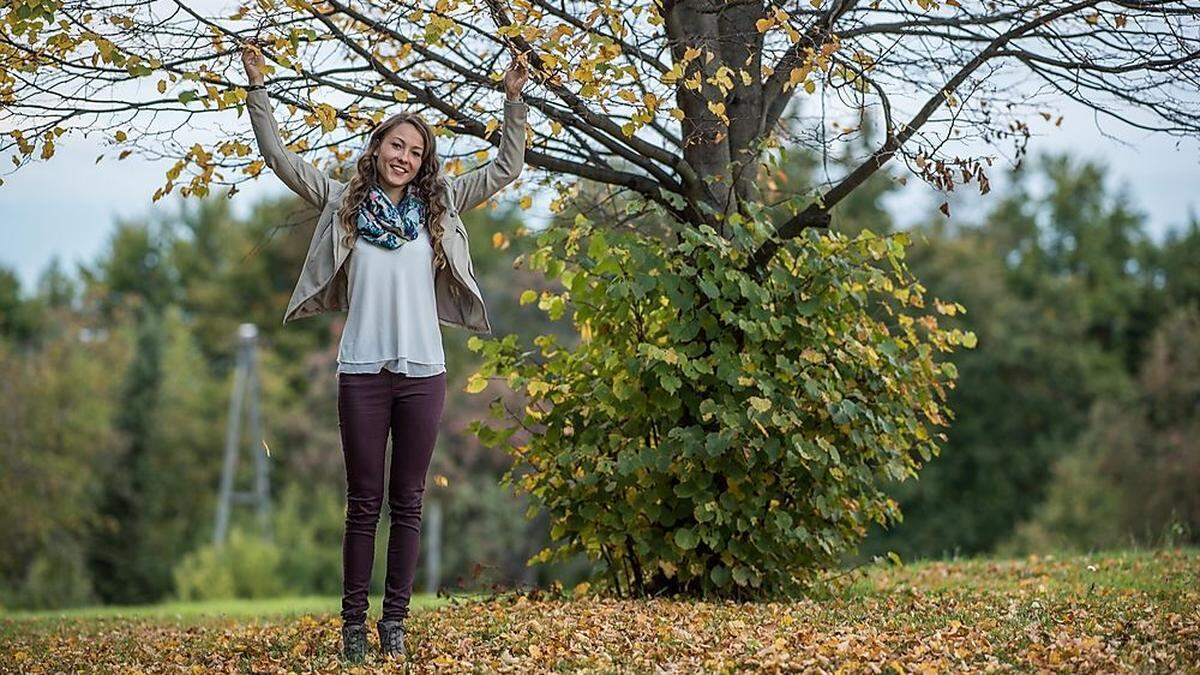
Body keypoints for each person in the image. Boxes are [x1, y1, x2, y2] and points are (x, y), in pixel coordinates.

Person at [239, 39, 528, 664]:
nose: (404, 156)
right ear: (377, 149)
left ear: (425, 162)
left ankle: (394, 622)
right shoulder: (343, 204)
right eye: (396, 145)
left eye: (416, 150)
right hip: (362, 371)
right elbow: (280, 159)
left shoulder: (440, 207)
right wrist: (258, 89)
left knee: (409, 501)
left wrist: (513, 102)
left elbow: (506, 169)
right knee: (363, 503)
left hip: (424, 372)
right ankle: (352, 626)